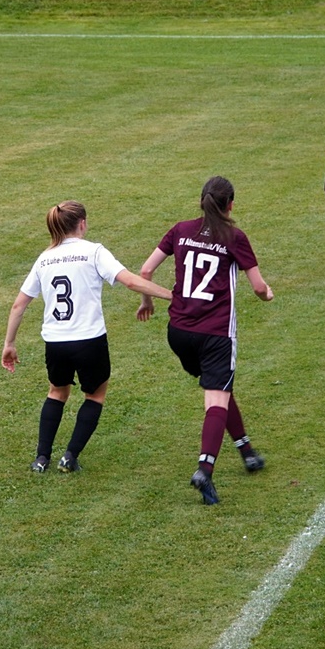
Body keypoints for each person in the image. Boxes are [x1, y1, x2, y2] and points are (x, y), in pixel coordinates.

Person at [3, 201, 172, 474]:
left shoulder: (45, 258)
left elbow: (18, 305)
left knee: (57, 392)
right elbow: (130, 280)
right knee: (94, 395)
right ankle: (70, 457)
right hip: (89, 340)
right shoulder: (94, 252)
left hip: (55, 342)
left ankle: (41, 458)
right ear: (82, 223)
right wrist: (171, 295)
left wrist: (9, 344)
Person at [137, 176, 273, 506]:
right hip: (214, 334)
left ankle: (246, 450)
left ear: (201, 201)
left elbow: (144, 271)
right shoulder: (234, 237)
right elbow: (257, 286)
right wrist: (267, 294)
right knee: (216, 398)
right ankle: (204, 469)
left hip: (179, 332)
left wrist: (147, 302)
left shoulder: (180, 229)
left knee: (220, 389)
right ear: (231, 205)